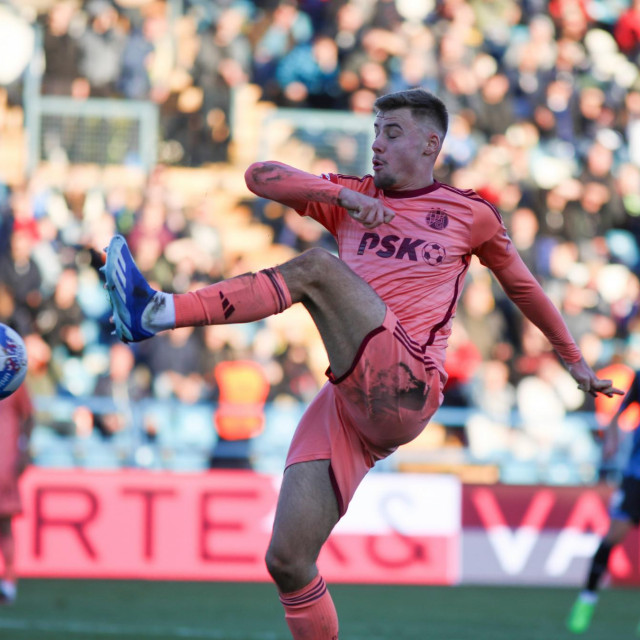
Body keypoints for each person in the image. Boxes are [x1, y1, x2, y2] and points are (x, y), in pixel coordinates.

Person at [103, 88, 621, 639]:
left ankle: (156, 311)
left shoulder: (469, 213)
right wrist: (340, 197)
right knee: (287, 561)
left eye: (391, 133)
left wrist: (574, 359)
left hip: (410, 382)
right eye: (375, 131)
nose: (376, 144)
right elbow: (259, 175)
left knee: (317, 270)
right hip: (350, 397)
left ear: (430, 143)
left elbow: (524, 287)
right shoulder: (350, 196)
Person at [566, 367, 640, 634]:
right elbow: (619, 414)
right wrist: (610, 439)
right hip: (636, 477)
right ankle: (587, 598)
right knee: (612, 538)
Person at [0, 382, 33, 604]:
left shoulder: (12, 378)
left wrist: (24, 449)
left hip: (5, 463)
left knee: (4, 522)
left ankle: (8, 581)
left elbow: (29, 416)